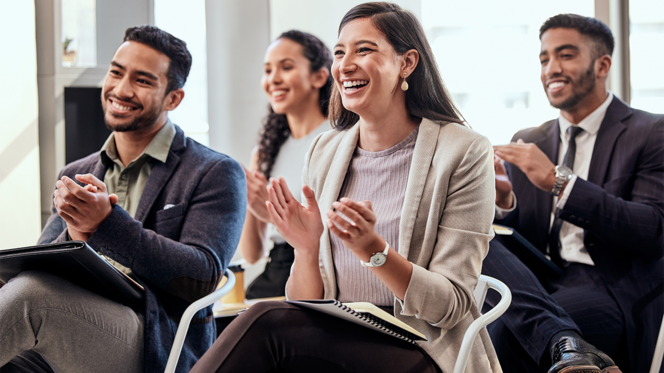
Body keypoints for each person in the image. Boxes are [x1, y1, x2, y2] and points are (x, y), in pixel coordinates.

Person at [191, 3, 500, 372]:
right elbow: (305, 301)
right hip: (337, 334)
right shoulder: (326, 151)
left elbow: (449, 307)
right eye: (340, 52)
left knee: (265, 321)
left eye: (364, 50)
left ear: (407, 63)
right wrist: (305, 250)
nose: (345, 64)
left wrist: (373, 249)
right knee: (265, 320)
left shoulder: (463, 151)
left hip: (422, 348)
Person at [0, 26, 246, 373]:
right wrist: (75, 235)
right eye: (116, 72)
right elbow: (42, 267)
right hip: (70, 326)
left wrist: (105, 225)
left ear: (173, 98)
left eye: (142, 81)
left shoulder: (214, 171)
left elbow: (201, 276)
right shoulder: (77, 171)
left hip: (155, 340)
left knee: (31, 299)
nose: (121, 89)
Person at [488, 13, 663, 373]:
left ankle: (564, 343)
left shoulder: (651, 132)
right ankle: (562, 342)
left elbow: (653, 230)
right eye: (544, 58)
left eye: (565, 55)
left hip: (609, 286)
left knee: (505, 334)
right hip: (536, 283)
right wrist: (504, 202)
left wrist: (559, 182)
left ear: (602, 65)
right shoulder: (530, 139)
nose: (551, 68)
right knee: (481, 236)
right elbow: (523, 238)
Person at [239, 30, 332, 299]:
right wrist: (252, 203)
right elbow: (252, 254)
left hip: (320, 268)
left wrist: (272, 214)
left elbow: (331, 234)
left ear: (319, 76)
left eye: (286, 67)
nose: (273, 79)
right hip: (276, 269)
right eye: (267, 70)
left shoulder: (337, 140)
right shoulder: (265, 153)